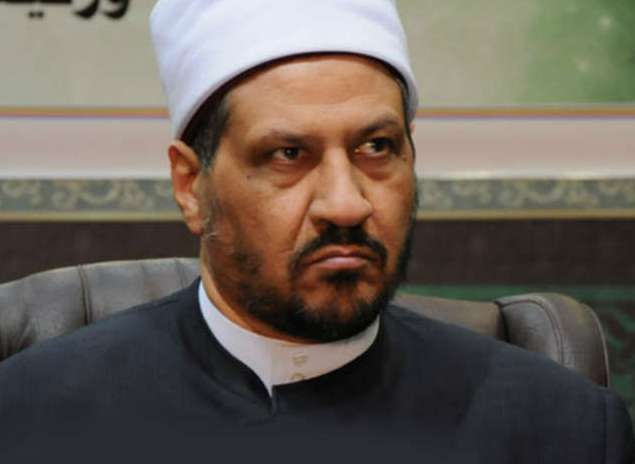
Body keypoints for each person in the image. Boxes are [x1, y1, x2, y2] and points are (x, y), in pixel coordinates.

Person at [0, 0, 632, 462]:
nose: (346, 204)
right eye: (288, 155)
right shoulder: (28, 415)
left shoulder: (561, 428)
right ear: (192, 186)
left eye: (376, 147)